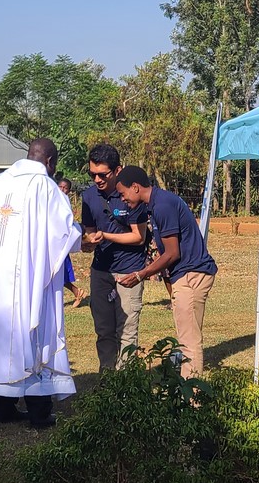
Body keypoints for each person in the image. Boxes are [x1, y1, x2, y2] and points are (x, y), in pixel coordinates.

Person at [0, 138, 82, 428]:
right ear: (50, 162)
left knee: (2, 340)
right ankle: (39, 412)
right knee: (33, 334)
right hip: (28, 279)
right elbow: (62, 232)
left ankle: (3, 407)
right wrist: (80, 233)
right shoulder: (45, 187)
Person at [115, 166, 218, 376]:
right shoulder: (156, 204)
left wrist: (140, 274)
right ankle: (188, 386)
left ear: (135, 187)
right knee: (188, 336)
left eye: (123, 193)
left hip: (191, 274)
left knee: (189, 342)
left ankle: (192, 394)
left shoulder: (162, 205)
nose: (122, 199)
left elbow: (172, 253)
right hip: (187, 273)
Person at [79, 144, 149, 371]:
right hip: (101, 270)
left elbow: (139, 237)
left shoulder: (131, 193)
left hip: (129, 270)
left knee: (127, 330)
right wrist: (88, 243)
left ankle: (126, 382)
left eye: (103, 174)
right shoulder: (89, 196)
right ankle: (107, 379)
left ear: (117, 170)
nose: (97, 180)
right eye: (92, 174)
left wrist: (106, 235)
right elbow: (90, 232)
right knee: (104, 330)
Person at [55, 175, 86, 307]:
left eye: (65, 188)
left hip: (61, 242)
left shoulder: (65, 201)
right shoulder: (54, 199)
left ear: (69, 190)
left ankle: (77, 292)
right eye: (60, 187)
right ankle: (77, 292)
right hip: (54, 241)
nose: (62, 190)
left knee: (60, 272)